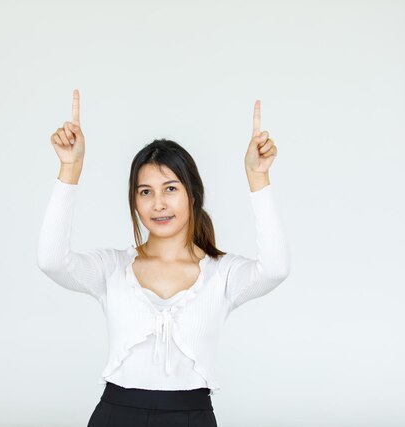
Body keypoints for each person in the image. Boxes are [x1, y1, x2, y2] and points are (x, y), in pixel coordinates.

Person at [36, 89, 291, 427]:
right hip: (116, 415)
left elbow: (275, 268)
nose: (158, 203)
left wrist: (258, 179)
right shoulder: (112, 268)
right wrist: (70, 168)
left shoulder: (222, 274)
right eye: (145, 192)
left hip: (192, 417)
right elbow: (51, 260)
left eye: (170, 188)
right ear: (135, 201)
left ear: (192, 194)